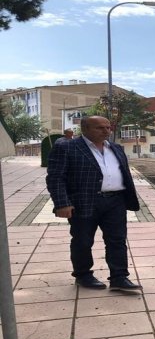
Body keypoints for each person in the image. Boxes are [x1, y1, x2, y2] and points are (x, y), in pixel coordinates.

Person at [46, 116, 142, 291]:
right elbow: (55, 177)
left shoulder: (116, 148)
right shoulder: (67, 147)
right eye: (100, 128)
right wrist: (62, 203)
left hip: (115, 201)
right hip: (84, 201)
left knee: (117, 240)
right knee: (82, 240)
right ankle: (83, 275)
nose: (106, 131)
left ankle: (119, 277)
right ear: (85, 129)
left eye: (108, 127)